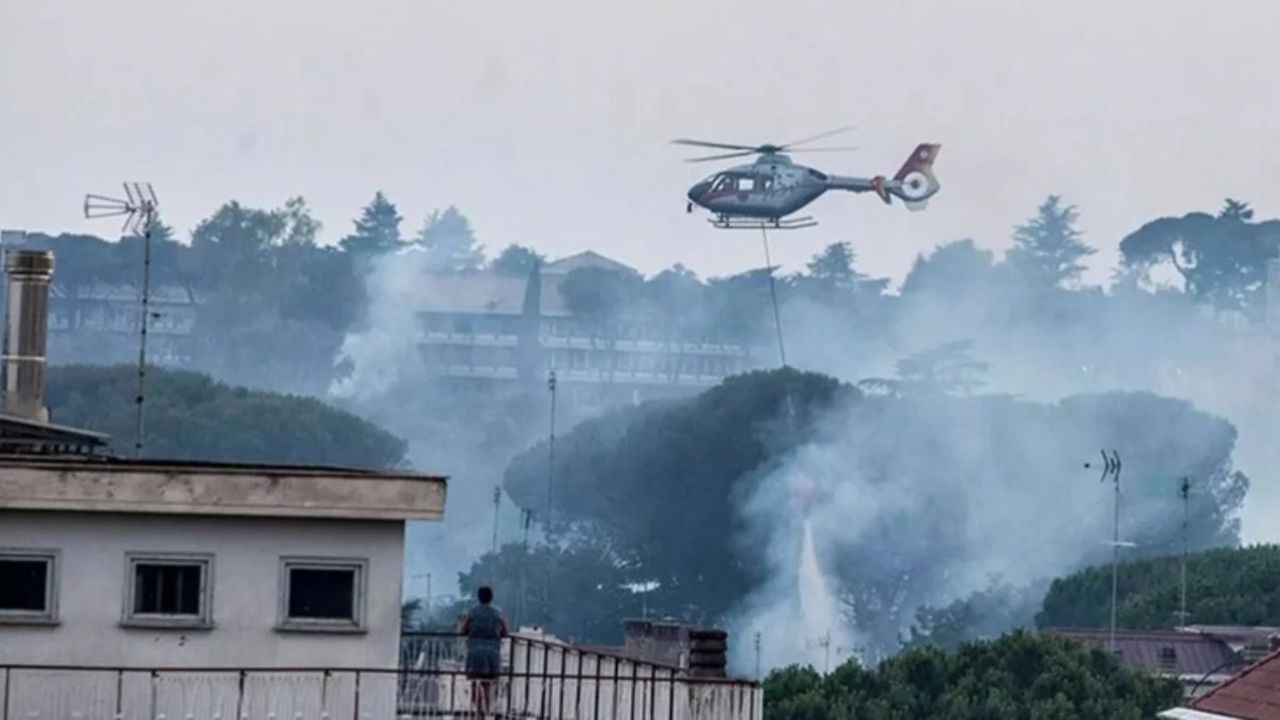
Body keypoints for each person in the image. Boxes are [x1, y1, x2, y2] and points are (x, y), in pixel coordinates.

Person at [460, 585, 508, 718]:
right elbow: (505, 632)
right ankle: (487, 710)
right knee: (488, 683)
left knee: (475, 682)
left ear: (479, 597)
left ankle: (477, 711)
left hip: (475, 651)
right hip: (492, 652)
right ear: (491, 597)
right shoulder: (497, 613)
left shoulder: (472, 612)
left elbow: (463, 631)